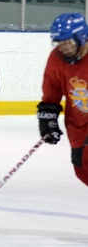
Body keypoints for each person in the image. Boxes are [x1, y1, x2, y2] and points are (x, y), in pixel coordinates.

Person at [37, 12, 88, 187]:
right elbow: (52, 90)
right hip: (77, 122)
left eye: (67, 42)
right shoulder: (57, 58)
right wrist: (47, 120)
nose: (63, 47)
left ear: (81, 37)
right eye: (60, 42)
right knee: (81, 170)